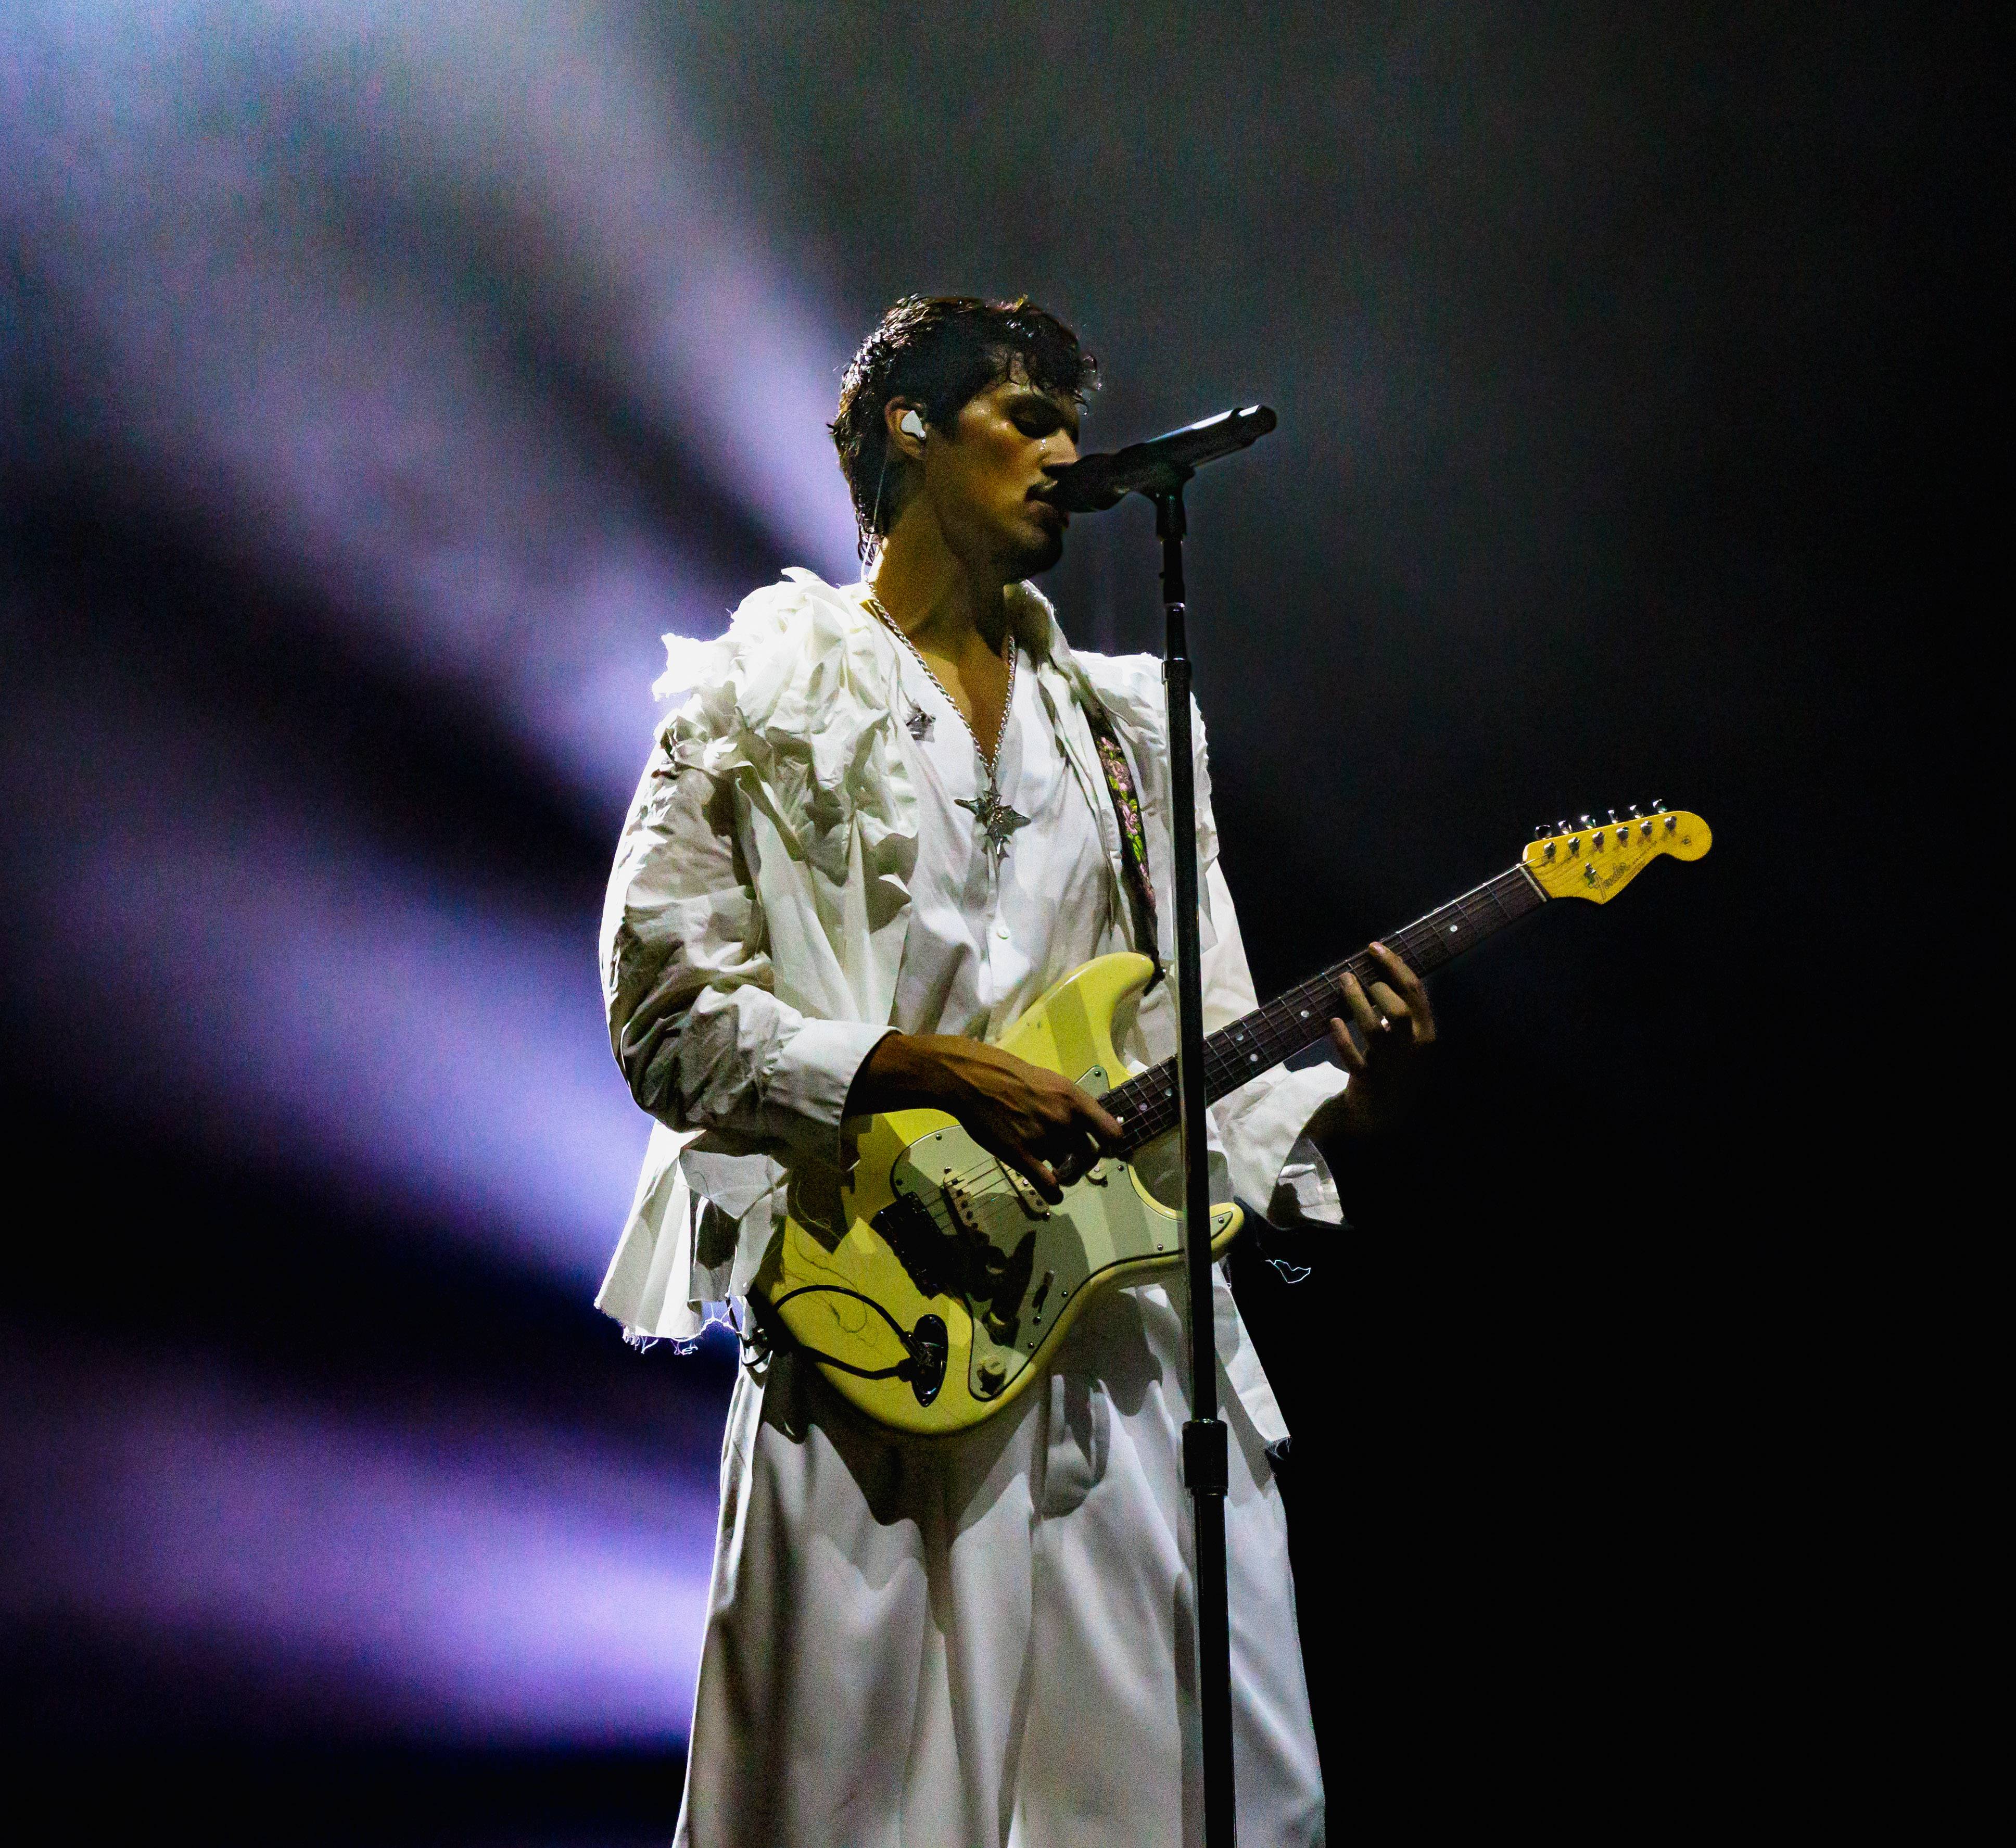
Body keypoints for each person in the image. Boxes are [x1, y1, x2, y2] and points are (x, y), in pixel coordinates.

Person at [598, 296, 1435, 1847]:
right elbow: (664, 1011)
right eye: (1026, 417)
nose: (1066, 453)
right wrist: (918, 1072)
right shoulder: (754, 694)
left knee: (1193, 1804)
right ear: (908, 429)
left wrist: (1342, 1097)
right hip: (878, 1328)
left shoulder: (1130, 728)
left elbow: (1206, 1030)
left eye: (1071, 423)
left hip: (1120, 1352)